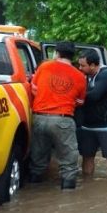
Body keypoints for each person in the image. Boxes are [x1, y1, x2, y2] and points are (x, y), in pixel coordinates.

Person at [28, 41, 87, 190]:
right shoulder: (80, 76)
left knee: (37, 158)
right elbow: (80, 102)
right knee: (68, 162)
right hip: (63, 120)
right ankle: (68, 195)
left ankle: (33, 189)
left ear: (57, 53)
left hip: (39, 117)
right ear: (73, 56)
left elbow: (33, 88)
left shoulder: (44, 67)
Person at [77, 50, 107, 179]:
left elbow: (95, 95)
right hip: (87, 125)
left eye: (83, 65)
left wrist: (76, 96)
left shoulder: (105, 74)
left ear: (92, 65)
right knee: (87, 156)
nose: (80, 68)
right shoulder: (83, 76)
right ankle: (87, 185)